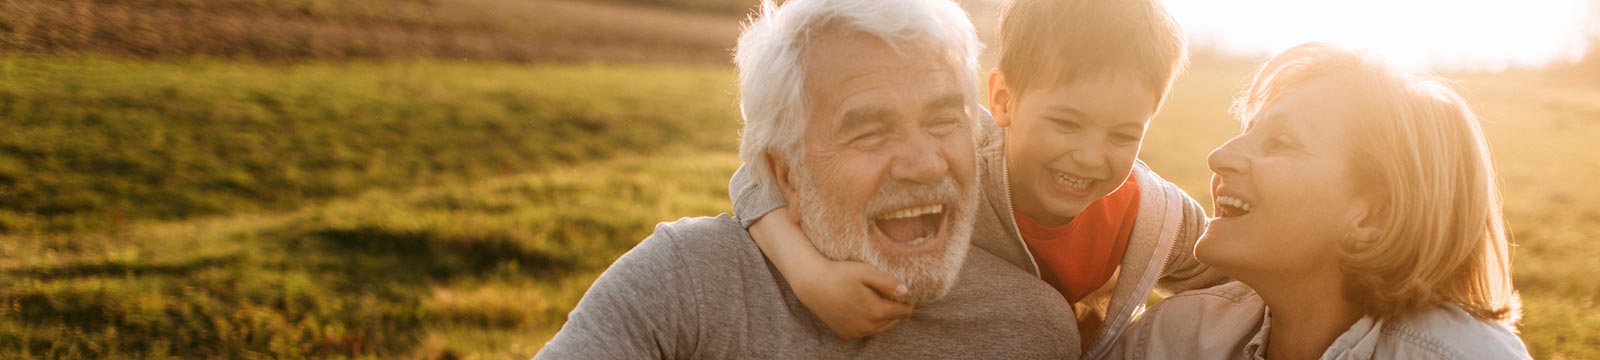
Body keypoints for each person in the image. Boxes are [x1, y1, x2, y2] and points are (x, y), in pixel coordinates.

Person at [535, 0, 1077, 358]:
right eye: (869, 132)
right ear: (784, 175)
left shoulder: (1033, 334)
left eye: (943, 121)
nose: (927, 164)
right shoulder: (685, 287)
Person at [726, 0, 1227, 356]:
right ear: (1003, 101)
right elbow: (759, 176)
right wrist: (809, 275)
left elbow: (1237, 270)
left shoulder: (1153, 215)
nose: (1091, 157)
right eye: (1067, 124)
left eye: (1123, 135)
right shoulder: (959, 159)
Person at [1108, 43, 1532, 359]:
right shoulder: (1172, 340)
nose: (1219, 157)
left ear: (1373, 216)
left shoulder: (1462, 354)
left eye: (1280, 141)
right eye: (1247, 131)